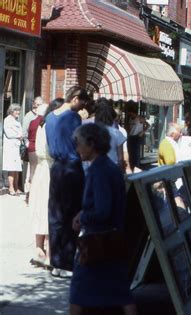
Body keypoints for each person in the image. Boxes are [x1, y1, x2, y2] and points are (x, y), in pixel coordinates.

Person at [70, 123, 137, 315]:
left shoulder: (99, 170)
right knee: (120, 292)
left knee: (78, 292)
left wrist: (83, 218)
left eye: (79, 143)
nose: (77, 148)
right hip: (111, 239)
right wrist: (82, 214)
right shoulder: (107, 166)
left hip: (98, 241)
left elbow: (102, 210)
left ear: (91, 144)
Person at [45, 86, 89, 278]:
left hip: (56, 168)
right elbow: (80, 144)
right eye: (82, 103)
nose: (82, 108)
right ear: (76, 98)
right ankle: (67, 262)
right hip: (72, 167)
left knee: (55, 215)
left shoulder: (50, 117)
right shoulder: (73, 118)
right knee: (71, 214)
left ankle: (56, 262)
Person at [29, 98, 64, 267]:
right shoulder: (53, 126)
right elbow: (54, 151)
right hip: (50, 169)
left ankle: (38, 250)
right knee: (50, 209)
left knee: (39, 208)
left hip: (41, 170)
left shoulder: (41, 125)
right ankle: (50, 254)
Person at [95, 104, 126, 171]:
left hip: (94, 167)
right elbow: (120, 157)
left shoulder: (91, 131)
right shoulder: (117, 133)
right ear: (113, 117)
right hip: (111, 167)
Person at [2, 104, 23, 196]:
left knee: (17, 168)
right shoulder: (7, 120)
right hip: (10, 148)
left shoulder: (16, 120)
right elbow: (9, 133)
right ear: (11, 111)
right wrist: (19, 136)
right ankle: (11, 188)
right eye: (16, 110)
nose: (18, 112)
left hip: (16, 147)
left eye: (19, 110)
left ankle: (16, 187)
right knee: (12, 168)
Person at [24, 96, 43, 185]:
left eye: (40, 104)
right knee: (31, 169)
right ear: (33, 104)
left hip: (40, 145)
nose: (37, 106)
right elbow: (24, 131)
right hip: (31, 145)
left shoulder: (43, 116)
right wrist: (27, 144)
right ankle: (28, 189)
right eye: (36, 104)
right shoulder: (29, 116)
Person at [126, 105, 149, 172]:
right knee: (130, 152)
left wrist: (142, 132)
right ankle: (132, 166)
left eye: (130, 113)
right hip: (131, 136)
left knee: (135, 153)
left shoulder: (139, 118)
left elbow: (148, 125)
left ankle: (137, 167)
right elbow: (130, 127)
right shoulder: (130, 118)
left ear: (133, 112)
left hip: (137, 137)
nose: (129, 114)